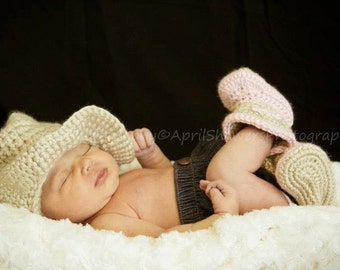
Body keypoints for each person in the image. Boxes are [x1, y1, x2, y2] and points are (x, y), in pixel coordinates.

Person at [0, 67, 335, 238]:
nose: (86, 165)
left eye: (84, 150)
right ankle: (265, 122)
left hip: (206, 174)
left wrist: (149, 155)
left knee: (217, 156)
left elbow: (167, 170)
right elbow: (166, 236)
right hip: (222, 197)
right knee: (223, 170)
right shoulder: (105, 222)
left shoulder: (122, 176)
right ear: (52, 215)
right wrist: (220, 218)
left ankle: (292, 172)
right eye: (64, 177)